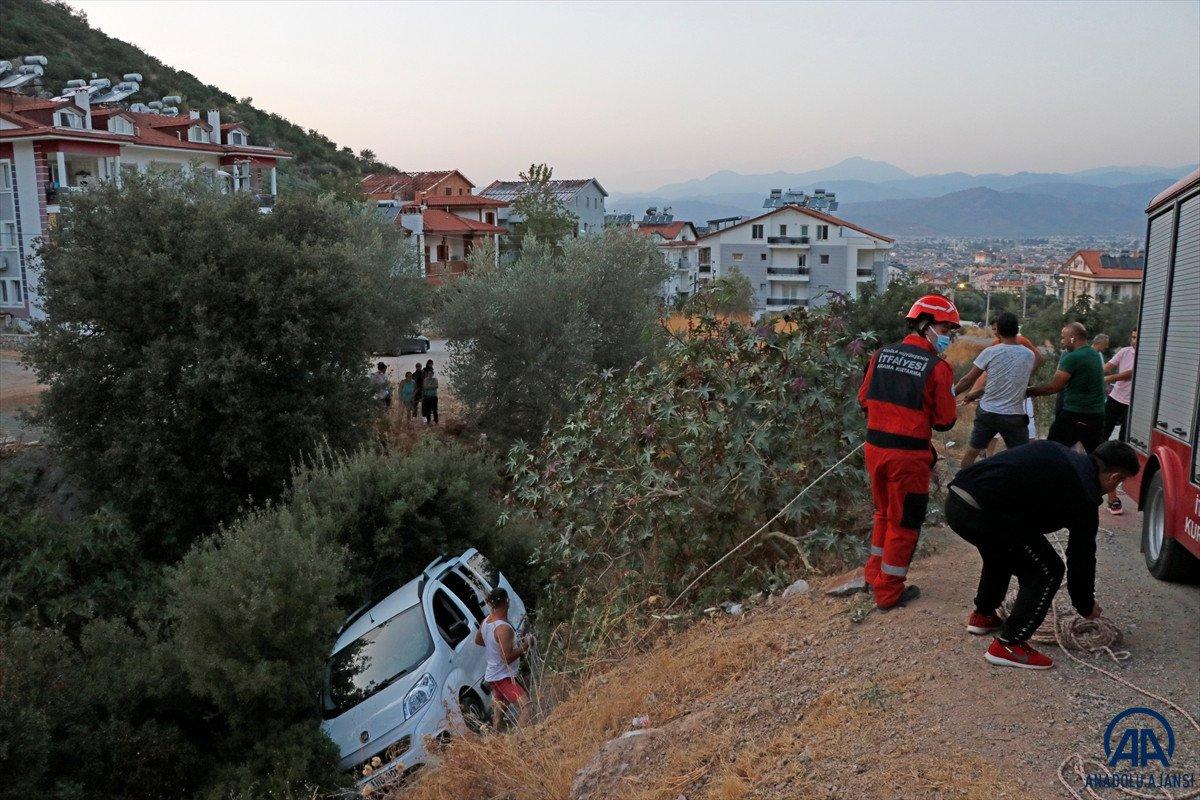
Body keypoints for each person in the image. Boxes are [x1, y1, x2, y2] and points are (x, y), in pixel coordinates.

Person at [944, 440, 1139, 670]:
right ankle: (1009, 644)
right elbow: (1081, 556)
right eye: (1122, 479)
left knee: (1003, 551)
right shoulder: (1084, 494)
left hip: (957, 502)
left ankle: (983, 615)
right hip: (985, 511)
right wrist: (1085, 606)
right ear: (1114, 477)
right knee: (1047, 570)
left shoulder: (1062, 454)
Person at [858, 294, 958, 610]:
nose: (948, 336)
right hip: (909, 457)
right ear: (926, 325)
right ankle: (889, 592)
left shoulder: (880, 355)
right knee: (905, 522)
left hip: (875, 450)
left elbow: (863, 400)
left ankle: (873, 577)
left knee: (883, 514)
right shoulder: (938, 368)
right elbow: (945, 420)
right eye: (945, 329)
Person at [952, 312, 1037, 469]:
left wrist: (950, 395)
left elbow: (967, 380)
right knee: (1022, 455)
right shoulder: (1029, 355)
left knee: (972, 451)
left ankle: (960, 483)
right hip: (1014, 416)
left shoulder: (990, 352)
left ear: (998, 331)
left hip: (987, 413)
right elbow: (1010, 381)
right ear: (1016, 329)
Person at [1028, 322, 1106, 453]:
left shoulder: (1072, 357)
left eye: (1063, 337)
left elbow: (1053, 388)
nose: (1062, 341)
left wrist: (1028, 390)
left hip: (1075, 414)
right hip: (1096, 415)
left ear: (1072, 338)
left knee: (1051, 451)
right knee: (1096, 456)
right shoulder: (1094, 354)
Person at [473, 587, 532, 729]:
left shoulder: (486, 621)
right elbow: (507, 658)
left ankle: (496, 740)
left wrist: (494, 644)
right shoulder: (504, 628)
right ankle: (519, 743)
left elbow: (479, 640)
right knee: (527, 707)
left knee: (498, 717)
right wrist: (526, 644)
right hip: (503, 678)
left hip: (493, 677)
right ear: (507, 602)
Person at [1102, 328, 1137, 515]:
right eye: (1132, 337)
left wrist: (1109, 377)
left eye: (1138, 338)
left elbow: (1130, 373)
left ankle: (1116, 488)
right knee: (1101, 440)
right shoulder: (1125, 351)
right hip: (1115, 399)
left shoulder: (1149, 354)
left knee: (1125, 447)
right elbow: (1108, 365)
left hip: (1134, 405)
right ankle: (1110, 494)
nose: (1134, 341)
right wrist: (1096, 372)